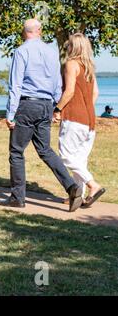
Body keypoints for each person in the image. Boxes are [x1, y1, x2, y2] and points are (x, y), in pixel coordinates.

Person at [0, 18, 83, 212]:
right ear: (40, 30)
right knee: (45, 150)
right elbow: (57, 83)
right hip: (46, 105)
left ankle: (17, 198)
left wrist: (10, 113)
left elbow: (16, 84)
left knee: (16, 151)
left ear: (24, 32)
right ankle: (72, 186)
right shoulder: (51, 51)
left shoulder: (21, 51)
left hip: (27, 105)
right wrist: (56, 107)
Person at [53, 33, 106, 208]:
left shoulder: (71, 64)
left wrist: (58, 109)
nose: (66, 47)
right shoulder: (89, 66)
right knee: (80, 160)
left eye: (68, 44)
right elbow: (95, 93)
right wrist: (86, 108)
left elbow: (68, 92)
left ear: (73, 47)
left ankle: (93, 185)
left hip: (74, 118)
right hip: (90, 120)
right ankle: (78, 196)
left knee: (66, 156)